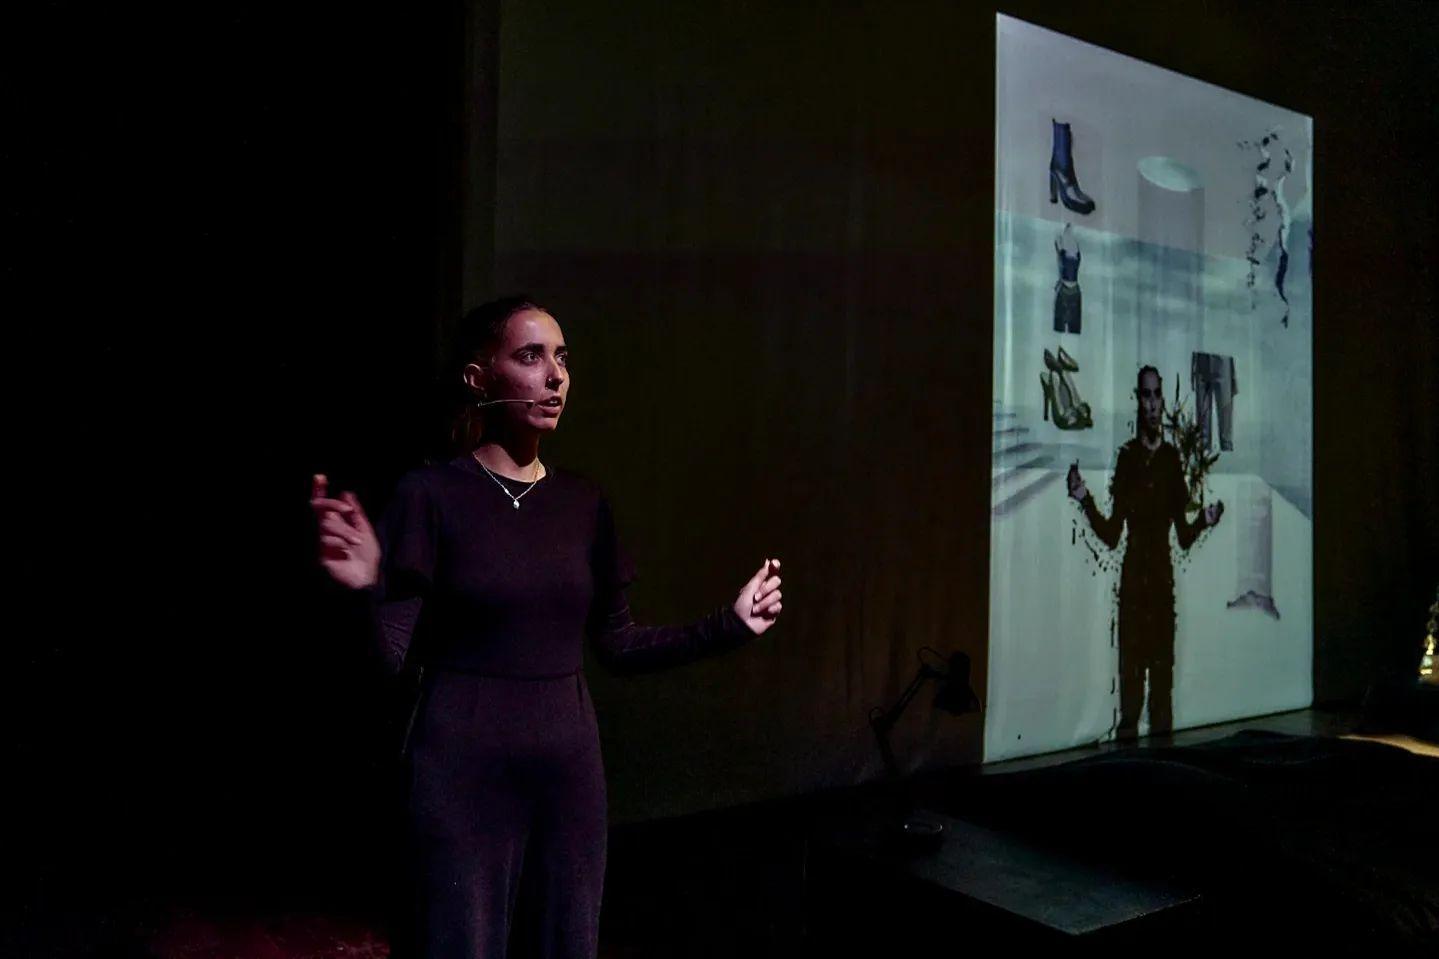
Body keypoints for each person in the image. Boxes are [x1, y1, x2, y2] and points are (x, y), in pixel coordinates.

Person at [310, 296, 783, 958]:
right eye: (530, 356)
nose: (555, 375)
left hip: (568, 773)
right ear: (479, 378)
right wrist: (365, 590)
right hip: (459, 770)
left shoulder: (583, 503)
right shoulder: (431, 494)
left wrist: (726, 626)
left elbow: (618, 643)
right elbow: (388, 661)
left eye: (561, 358)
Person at [1067, 366, 1221, 739]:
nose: (1152, 404)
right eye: (1146, 396)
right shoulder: (1128, 459)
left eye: (1156, 396)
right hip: (1134, 593)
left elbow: (1183, 536)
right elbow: (1111, 535)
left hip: (1161, 594)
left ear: (1162, 401)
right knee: (1131, 704)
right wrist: (1084, 498)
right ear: (1138, 402)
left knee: (1162, 703)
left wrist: (1204, 520)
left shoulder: (1171, 461)